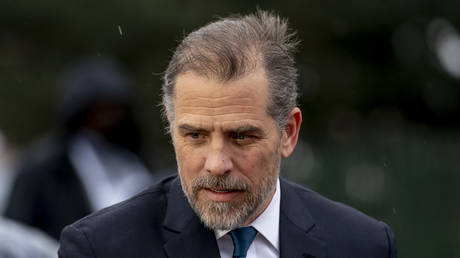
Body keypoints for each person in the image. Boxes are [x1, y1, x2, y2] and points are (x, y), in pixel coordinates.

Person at [58, 11, 397, 258]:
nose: (217, 164)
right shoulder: (100, 249)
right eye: (195, 136)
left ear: (288, 133)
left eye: (240, 137)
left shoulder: (363, 245)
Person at [4, 57, 155, 240]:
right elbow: (16, 233)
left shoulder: (132, 162)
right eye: (99, 112)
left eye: (113, 111)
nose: (107, 120)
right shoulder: (43, 169)